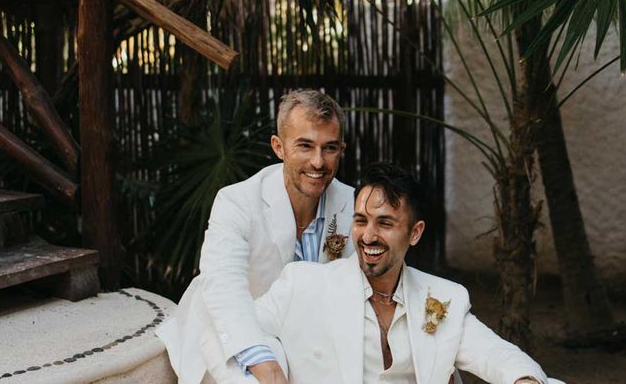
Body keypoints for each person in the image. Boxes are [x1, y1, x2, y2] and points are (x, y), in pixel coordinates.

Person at [228, 162, 564, 384]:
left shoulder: (443, 298)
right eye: (361, 221)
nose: (369, 236)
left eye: (385, 223)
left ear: (415, 233)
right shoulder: (303, 283)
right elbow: (239, 331)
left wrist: (524, 379)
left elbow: (494, 354)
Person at [157, 89, 355, 384]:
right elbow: (225, 287)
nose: (318, 162)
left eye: (329, 148)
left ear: (341, 149)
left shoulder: (352, 204)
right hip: (231, 324)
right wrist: (265, 363)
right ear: (278, 147)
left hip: (304, 337)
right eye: (305, 145)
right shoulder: (236, 201)